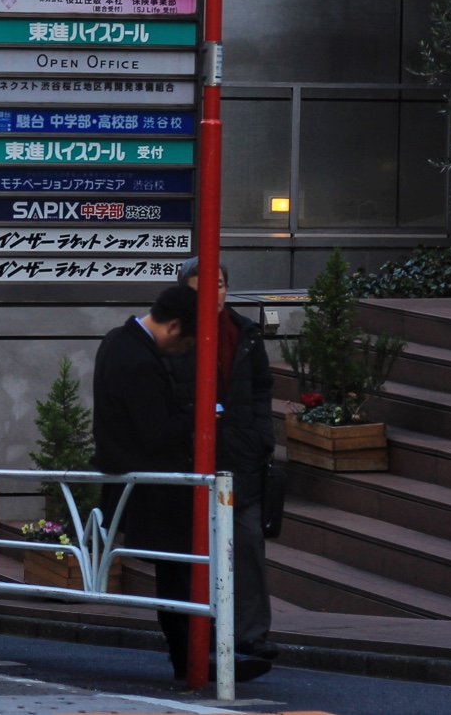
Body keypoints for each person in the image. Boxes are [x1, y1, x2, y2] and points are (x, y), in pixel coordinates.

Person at [94, 285, 268, 685]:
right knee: (179, 573)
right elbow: (155, 431)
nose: (188, 349)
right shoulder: (140, 362)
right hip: (153, 482)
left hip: (134, 476)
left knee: (179, 573)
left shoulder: (117, 342)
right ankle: (191, 660)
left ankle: (194, 657)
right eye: (189, 340)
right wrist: (201, 413)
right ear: (174, 326)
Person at [175, 258, 276, 664]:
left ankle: (251, 633)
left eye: (219, 284)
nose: (213, 293)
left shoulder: (244, 332)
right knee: (192, 547)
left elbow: (263, 389)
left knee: (248, 542)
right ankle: (199, 630)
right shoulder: (175, 334)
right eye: (203, 286)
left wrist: (261, 437)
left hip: (241, 454)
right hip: (190, 455)